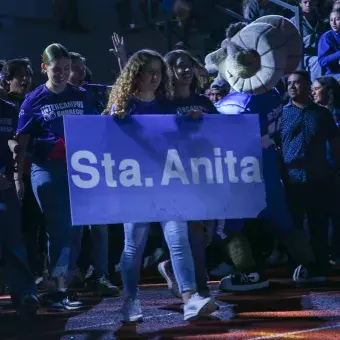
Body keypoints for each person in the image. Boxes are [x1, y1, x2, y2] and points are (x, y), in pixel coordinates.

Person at [103, 49, 217, 322]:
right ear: (136, 75)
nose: (155, 77)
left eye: (158, 72)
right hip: (135, 185)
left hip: (168, 183)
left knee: (178, 241)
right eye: (148, 72)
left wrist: (190, 120)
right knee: (134, 245)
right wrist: (112, 121)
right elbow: (104, 138)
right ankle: (130, 300)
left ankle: (189, 298)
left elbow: (177, 132)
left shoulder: (165, 103)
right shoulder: (124, 105)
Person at [15, 43, 96, 310]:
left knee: (76, 230)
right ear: (44, 69)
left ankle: (62, 283)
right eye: (55, 69)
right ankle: (57, 290)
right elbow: (22, 140)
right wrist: (18, 178)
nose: (61, 74)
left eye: (66, 69)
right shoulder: (34, 99)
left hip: (80, 171)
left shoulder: (82, 95)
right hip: (47, 169)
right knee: (60, 227)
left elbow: (97, 127)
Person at [157, 49, 218, 298]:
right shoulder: (163, 104)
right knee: (191, 231)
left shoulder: (204, 102)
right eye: (179, 66)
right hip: (173, 176)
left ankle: (173, 267)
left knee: (204, 234)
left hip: (202, 175)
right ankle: (199, 289)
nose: (184, 70)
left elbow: (223, 134)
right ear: (169, 72)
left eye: (188, 66)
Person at [67, 52, 120, 297]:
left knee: (99, 226)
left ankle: (101, 275)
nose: (79, 73)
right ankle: (67, 277)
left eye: (81, 67)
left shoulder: (92, 93)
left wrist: (122, 59)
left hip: (95, 168)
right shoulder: (52, 96)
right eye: (73, 68)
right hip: (66, 169)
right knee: (72, 230)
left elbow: (121, 92)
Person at [282, 70, 340, 272]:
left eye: (297, 83)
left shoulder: (322, 114)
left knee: (319, 223)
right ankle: (297, 264)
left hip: (320, 178)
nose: (292, 86)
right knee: (294, 225)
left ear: (307, 86)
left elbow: (335, 143)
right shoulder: (282, 113)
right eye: (289, 83)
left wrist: (335, 169)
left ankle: (321, 264)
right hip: (292, 180)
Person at [0, 96, 38, 316]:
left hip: (4, 181)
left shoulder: (9, 109)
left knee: (14, 239)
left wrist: (16, 179)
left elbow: (14, 142)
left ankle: (24, 293)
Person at [290, 0, 326, 82]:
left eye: (311, 2)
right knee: (318, 62)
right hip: (302, 56)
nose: (308, 5)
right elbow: (291, 42)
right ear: (300, 4)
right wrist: (311, 38)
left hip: (319, 53)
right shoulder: (294, 21)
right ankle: (315, 88)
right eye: (305, 2)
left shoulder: (319, 20)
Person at [318, 8, 340, 77]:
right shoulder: (327, 36)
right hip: (333, 74)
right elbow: (322, 61)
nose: (333, 23)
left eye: (337, 19)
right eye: (331, 20)